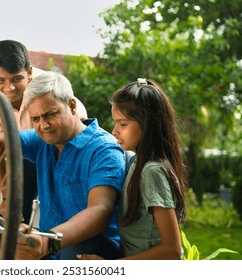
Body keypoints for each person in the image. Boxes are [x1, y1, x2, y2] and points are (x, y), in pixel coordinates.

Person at [0, 39, 87, 223]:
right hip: (22, 154)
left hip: (59, 151)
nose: (9, 88)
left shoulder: (46, 87)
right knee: (18, 212)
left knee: (54, 208)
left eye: (17, 79)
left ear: (29, 72)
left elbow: (78, 124)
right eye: (1, 80)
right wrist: (6, 195)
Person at [13, 71, 126, 260]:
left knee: (71, 250)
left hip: (91, 251)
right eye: (36, 119)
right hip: (51, 244)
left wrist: (46, 242)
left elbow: (100, 210)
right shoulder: (43, 140)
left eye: (50, 114)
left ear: (72, 106)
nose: (43, 125)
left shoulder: (105, 149)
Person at [78, 78, 187, 260]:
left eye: (123, 124)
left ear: (148, 124)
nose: (114, 131)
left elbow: (172, 249)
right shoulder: (136, 163)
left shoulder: (152, 171)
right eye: (115, 123)